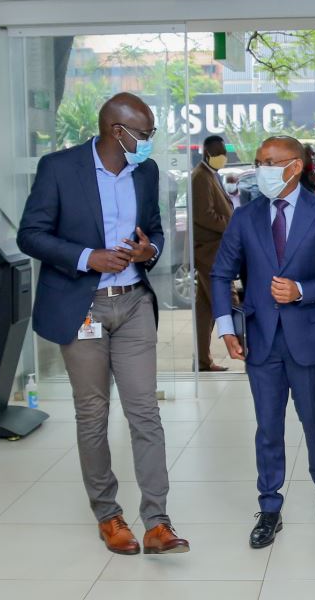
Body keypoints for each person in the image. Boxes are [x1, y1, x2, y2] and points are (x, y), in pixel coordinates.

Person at [16, 92, 189, 556]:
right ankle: (109, 516)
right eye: (146, 134)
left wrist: (147, 249)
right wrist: (86, 256)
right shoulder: (59, 168)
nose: (150, 142)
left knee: (145, 413)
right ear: (118, 131)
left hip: (132, 303)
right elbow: (30, 233)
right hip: (83, 306)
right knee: (93, 415)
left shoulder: (145, 171)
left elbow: (153, 228)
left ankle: (158, 521)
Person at [211, 135, 315, 549]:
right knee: (268, 426)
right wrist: (226, 325)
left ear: (294, 166)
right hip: (261, 339)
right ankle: (270, 505)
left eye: (270, 162)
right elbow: (222, 274)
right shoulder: (246, 216)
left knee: (313, 417)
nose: (262, 170)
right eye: (258, 162)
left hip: (308, 335)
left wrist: (301, 290)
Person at [191, 134, 234, 372]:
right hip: (209, 251)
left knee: (205, 309)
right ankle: (247, 351)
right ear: (207, 154)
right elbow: (204, 215)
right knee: (229, 298)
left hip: (214, 249)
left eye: (223, 153)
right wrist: (230, 224)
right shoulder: (200, 177)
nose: (222, 158)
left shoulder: (210, 175)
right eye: (217, 153)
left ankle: (202, 361)